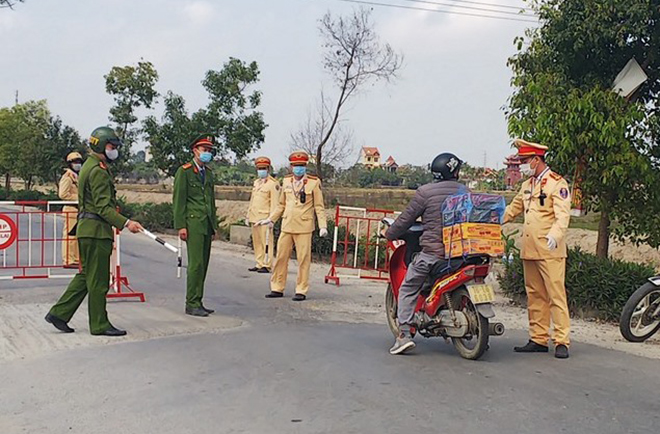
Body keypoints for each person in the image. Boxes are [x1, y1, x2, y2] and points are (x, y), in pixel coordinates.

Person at [45, 126, 144, 336]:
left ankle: (59, 313)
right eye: (111, 146)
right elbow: (103, 207)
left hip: (87, 229)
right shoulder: (98, 170)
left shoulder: (90, 165)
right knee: (98, 281)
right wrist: (127, 223)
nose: (114, 150)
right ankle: (99, 324)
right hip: (96, 230)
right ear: (100, 145)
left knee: (86, 275)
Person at [385, 153, 467, 355]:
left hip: (433, 255)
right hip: (464, 254)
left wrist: (389, 233)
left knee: (408, 287)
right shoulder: (465, 191)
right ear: (454, 172)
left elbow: (405, 219)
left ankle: (403, 335)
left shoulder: (425, 192)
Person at [503, 139, 571, 359]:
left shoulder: (556, 183)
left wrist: (555, 235)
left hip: (550, 249)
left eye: (524, 160)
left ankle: (561, 340)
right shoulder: (527, 185)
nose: (522, 164)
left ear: (536, 159)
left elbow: (562, 216)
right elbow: (513, 209)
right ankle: (538, 338)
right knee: (535, 295)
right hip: (530, 249)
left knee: (555, 295)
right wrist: (491, 221)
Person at [258, 151, 327, 301]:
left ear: (305, 166)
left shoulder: (314, 183)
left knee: (303, 259)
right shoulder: (286, 181)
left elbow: (319, 207)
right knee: (281, 257)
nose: (298, 169)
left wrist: (323, 226)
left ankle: (301, 289)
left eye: (301, 165)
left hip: (304, 226)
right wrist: (271, 219)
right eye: (296, 166)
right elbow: (281, 204)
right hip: (287, 224)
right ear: (291, 167)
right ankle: (277, 287)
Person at [173, 133, 220, 317]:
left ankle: (198, 300)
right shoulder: (184, 172)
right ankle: (191, 302)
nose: (207, 153)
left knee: (204, 264)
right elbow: (179, 200)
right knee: (195, 264)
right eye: (204, 149)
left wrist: (213, 225)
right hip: (192, 223)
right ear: (195, 150)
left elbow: (211, 201)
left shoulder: (208, 173)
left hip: (206, 224)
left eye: (209, 150)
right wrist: (181, 225)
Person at [246, 156, 280, 273]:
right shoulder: (256, 183)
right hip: (255, 216)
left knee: (266, 242)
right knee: (257, 242)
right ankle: (259, 262)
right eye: (259, 168)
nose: (261, 170)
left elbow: (275, 204)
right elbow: (253, 200)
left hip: (265, 217)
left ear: (268, 169)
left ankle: (267, 263)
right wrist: (248, 214)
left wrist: (272, 219)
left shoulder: (273, 184)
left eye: (263, 168)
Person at [59, 152, 83, 268]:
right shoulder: (67, 177)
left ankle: (76, 258)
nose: (77, 164)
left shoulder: (77, 176)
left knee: (77, 237)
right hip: (71, 209)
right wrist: (79, 199)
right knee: (70, 236)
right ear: (70, 164)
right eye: (75, 162)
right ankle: (68, 259)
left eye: (79, 162)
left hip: (78, 210)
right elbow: (63, 194)